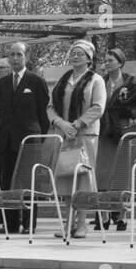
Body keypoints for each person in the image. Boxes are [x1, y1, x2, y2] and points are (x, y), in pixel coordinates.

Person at [48, 40, 106, 239]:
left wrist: (78, 123)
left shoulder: (96, 80)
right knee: (64, 178)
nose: (74, 56)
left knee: (83, 180)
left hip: (85, 136)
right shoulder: (62, 80)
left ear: (89, 58)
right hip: (65, 135)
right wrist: (60, 123)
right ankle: (67, 222)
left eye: (79, 53)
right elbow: (50, 106)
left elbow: (98, 107)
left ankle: (82, 224)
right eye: (73, 53)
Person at [0, 41, 50, 233]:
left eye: (19, 54)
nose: (15, 58)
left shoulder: (36, 81)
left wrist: (39, 138)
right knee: (8, 180)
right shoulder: (2, 83)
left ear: (26, 57)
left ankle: (28, 223)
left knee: (28, 181)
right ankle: (10, 223)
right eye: (12, 55)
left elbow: (43, 114)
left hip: (29, 140)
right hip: (7, 140)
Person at [96, 47, 136, 229]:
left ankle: (122, 216)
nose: (107, 63)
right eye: (106, 60)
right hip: (105, 132)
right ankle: (105, 215)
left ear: (120, 62)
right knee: (103, 174)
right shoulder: (100, 81)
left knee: (123, 175)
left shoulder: (130, 83)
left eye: (110, 60)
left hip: (123, 131)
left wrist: (127, 112)